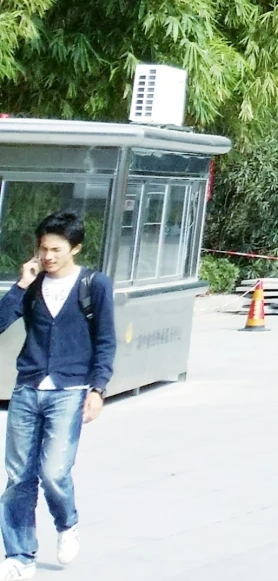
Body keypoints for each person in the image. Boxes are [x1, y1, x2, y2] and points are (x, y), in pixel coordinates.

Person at [0, 213, 114, 577]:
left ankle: (66, 523)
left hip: (70, 390)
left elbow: (106, 340)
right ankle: (19, 555)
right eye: (43, 248)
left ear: (75, 248)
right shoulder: (32, 284)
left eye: (56, 250)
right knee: (18, 476)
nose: (47, 256)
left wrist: (98, 389)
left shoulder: (93, 284)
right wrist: (20, 285)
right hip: (27, 389)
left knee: (53, 472)